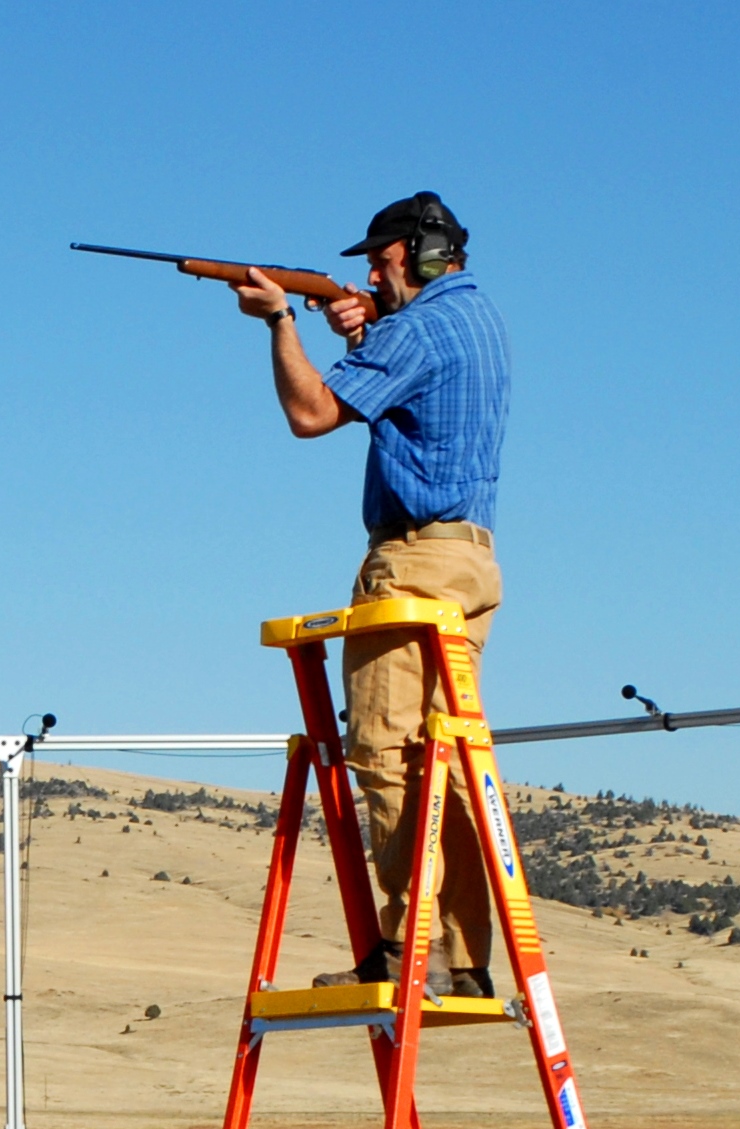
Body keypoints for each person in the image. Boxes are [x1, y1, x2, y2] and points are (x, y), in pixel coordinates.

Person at [230, 191, 509, 996]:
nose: (372, 276)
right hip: (471, 560)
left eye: (381, 262)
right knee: (443, 762)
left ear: (417, 255)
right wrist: (365, 332)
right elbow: (411, 384)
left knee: (387, 753)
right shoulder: (475, 316)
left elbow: (311, 413)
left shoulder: (416, 329)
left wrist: (283, 324)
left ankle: (407, 949)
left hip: (413, 562)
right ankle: (463, 958)